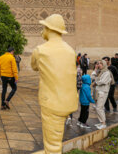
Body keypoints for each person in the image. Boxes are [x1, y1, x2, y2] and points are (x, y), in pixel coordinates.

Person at [31, 14, 78, 154]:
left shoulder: (40, 50)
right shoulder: (70, 50)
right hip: (68, 101)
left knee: (53, 145)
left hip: (52, 103)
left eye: (44, 28)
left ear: (48, 29)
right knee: (56, 137)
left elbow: (34, 66)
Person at [93, 60, 112, 130]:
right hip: (99, 91)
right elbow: (93, 78)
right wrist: (95, 70)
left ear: (104, 64)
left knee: (99, 108)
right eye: (98, 63)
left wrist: (96, 82)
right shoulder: (101, 72)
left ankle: (103, 123)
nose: (99, 65)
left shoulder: (107, 72)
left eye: (101, 63)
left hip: (103, 92)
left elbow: (103, 81)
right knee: (98, 108)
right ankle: (101, 122)